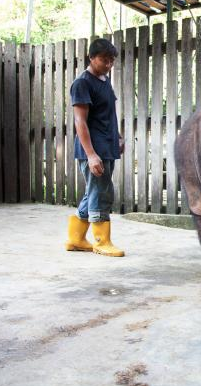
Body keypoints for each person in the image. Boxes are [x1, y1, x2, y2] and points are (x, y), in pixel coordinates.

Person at [63, 38, 125, 257]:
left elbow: (107, 114)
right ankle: (101, 241)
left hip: (107, 146)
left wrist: (118, 137)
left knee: (96, 191)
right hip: (93, 149)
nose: (108, 64)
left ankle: (76, 238)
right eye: (103, 60)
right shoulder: (82, 83)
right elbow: (80, 121)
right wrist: (90, 155)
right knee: (102, 192)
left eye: (111, 60)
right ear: (91, 57)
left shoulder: (104, 81)